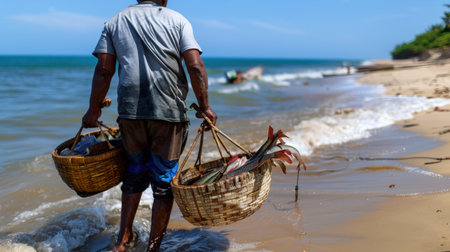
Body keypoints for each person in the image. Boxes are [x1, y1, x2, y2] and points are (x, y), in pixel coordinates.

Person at [81, 0, 217, 251]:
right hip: (168, 112)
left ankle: (123, 240)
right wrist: (205, 106)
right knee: (164, 182)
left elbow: (104, 70)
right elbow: (195, 66)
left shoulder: (115, 21)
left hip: (131, 112)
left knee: (134, 173)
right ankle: (154, 247)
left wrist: (94, 109)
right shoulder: (178, 20)